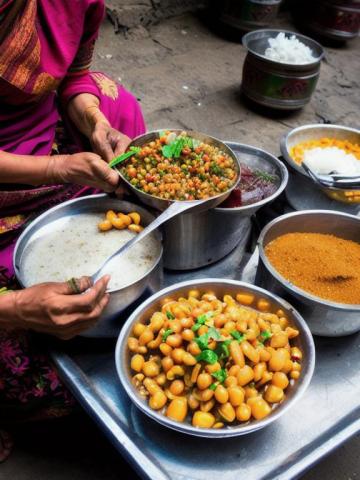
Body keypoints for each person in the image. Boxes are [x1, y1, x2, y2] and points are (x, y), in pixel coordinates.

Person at [0, 0, 146, 461]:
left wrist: (94, 121)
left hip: (38, 132)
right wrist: (17, 307)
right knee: (30, 375)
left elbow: (75, 76)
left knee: (119, 108)